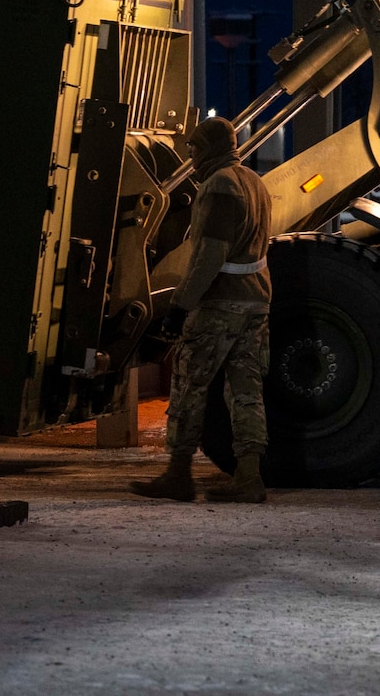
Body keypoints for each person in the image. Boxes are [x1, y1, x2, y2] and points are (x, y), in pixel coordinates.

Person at [129, 116, 274, 505]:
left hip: (219, 303)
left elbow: (211, 253)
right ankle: (249, 477)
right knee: (246, 391)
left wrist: (181, 305)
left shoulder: (219, 185)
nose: (190, 156)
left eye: (193, 149)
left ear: (208, 149)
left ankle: (178, 475)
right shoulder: (255, 182)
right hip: (256, 301)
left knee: (189, 384)